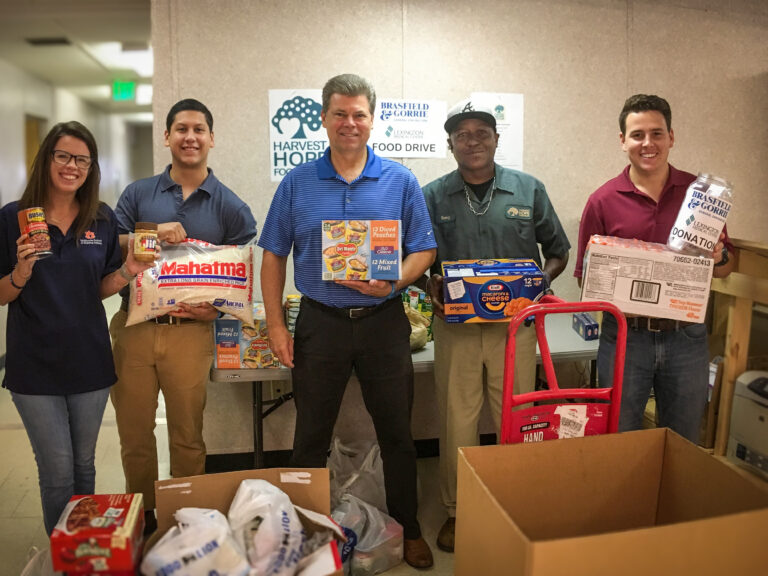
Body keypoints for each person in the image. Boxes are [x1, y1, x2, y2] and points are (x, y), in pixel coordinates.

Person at [260, 74, 437, 569]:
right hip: (320, 322)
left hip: (383, 321)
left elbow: (424, 248)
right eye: (340, 113)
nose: (350, 123)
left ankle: (411, 527)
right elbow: (272, 255)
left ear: (372, 119)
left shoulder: (400, 179)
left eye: (359, 114)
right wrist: (276, 325)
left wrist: (395, 281)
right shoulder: (296, 182)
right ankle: (306, 533)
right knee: (311, 434)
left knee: (397, 431)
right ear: (323, 118)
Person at [422, 98, 570, 552]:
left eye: (482, 133)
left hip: (515, 330)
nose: (473, 141)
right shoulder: (431, 195)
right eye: (462, 135)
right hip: (457, 330)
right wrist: (432, 289)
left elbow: (559, 251)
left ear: (496, 139)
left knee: (516, 419)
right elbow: (420, 261)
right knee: (457, 422)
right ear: (451, 145)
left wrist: (535, 285)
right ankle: (457, 511)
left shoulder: (528, 190)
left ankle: (513, 506)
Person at [110, 99, 257, 533]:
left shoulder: (231, 205)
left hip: (191, 335)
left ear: (211, 138)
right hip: (134, 330)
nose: (189, 137)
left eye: (198, 129)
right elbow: (107, 244)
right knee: (135, 437)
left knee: (187, 437)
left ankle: (184, 523)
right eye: (180, 129)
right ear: (167, 137)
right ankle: (143, 521)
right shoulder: (139, 194)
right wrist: (149, 233)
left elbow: (242, 271)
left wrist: (216, 308)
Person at [0, 121, 153, 534]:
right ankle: (63, 556)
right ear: (47, 158)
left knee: (84, 467)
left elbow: (98, 287)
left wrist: (127, 271)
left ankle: (86, 551)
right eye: (63, 156)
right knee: (57, 472)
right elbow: (0, 294)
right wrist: (20, 271)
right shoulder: (11, 218)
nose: (72, 166)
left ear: (91, 167)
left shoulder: (100, 219)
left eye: (82, 160)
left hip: (89, 360)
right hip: (33, 364)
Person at [575, 94, 735, 443]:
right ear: (622, 141)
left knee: (683, 441)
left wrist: (718, 257)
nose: (648, 143)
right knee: (619, 441)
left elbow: (725, 267)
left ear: (671, 137)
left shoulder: (701, 195)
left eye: (657, 133)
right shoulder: (602, 201)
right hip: (625, 337)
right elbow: (585, 278)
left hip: (687, 337)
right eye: (637, 135)